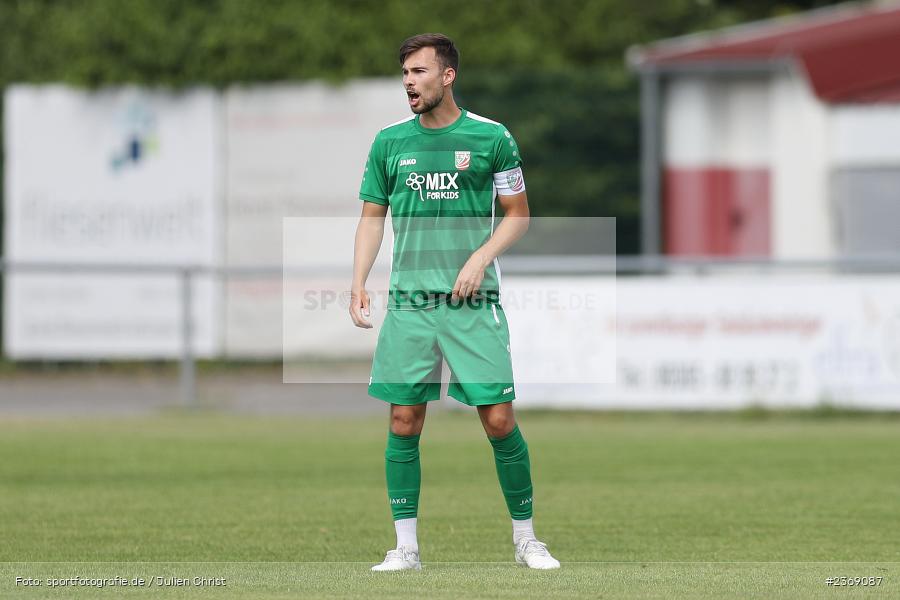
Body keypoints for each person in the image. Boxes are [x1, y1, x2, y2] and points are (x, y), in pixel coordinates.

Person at [349, 33, 560, 572]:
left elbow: (518, 214)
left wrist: (478, 258)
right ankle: (406, 549)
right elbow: (372, 218)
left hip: (473, 301)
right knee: (403, 421)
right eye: (404, 74)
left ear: (448, 76)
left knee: (497, 419)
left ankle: (527, 539)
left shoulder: (492, 138)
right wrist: (358, 282)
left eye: (419, 72)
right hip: (411, 302)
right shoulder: (389, 143)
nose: (408, 82)